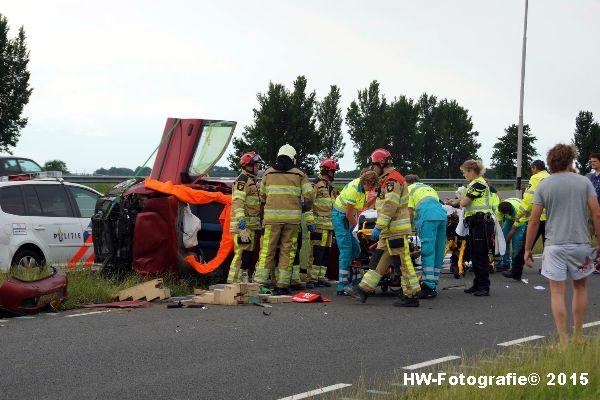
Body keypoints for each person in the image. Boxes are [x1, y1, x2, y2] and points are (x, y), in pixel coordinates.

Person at [524, 144, 600, 348]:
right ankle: (578, 336)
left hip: (554, 244)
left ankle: (563, 341)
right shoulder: (584, 182)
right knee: (580, 287)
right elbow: (596, 212)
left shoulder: (544, 185)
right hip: (580, 243)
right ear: (570, 160)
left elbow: (534, 219)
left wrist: (528, 248)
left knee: (557, 292)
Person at [346, 148, 421, 307]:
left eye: (374, 165)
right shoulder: (387, 179)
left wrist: (379, 227)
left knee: (403, 263)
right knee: (377, 260)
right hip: (389, 231)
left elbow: (389, 206)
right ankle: (363, 290)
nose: (373, 169)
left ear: (381, 163)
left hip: (395, 230)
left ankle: (411, 295)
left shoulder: (393, 180)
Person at [253, 144, 314, 295]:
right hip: (292, 220)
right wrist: (304, 207)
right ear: (293, 158)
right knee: (287, 251)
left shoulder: (268, 173)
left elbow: (262, 196)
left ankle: (260, 283)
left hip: (272, 219)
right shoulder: (299, 174)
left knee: (267, 250)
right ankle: (282, 285)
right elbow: (309, 196)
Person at [450, 160, 494, 296]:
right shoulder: (473, 184)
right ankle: (477, 283)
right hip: (476, 223)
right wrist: (456, 202)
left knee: (480, 255)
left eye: (464, 172)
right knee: (474, 254)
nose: (464, 175)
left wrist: (456, 202)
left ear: (471, 171)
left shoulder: (478, 183)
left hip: (482, 222)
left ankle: (484, 286)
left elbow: (465, 202)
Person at [332, 169, 378, 295]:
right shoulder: (354, 190)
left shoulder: (362, 188)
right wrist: (358, 230)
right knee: (346, 250)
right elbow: (348, 214)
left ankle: (356, 283)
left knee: (356, 249)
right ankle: (342, 286)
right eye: (372, 186)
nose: (372, 189)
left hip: (348, 216)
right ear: (368, 183)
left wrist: (376, 198)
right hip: (340, 217)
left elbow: (365, 207)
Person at [503, 160, 550, 280]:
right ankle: (549, 271)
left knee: (525, 245)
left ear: (535, 168)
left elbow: (529, 198)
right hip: (550, 218)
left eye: (532, 169)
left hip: (537, 217)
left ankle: (516, 271)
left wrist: (519, 214)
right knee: (549, 247)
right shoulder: (550, 178)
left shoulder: (535, 178)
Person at [405, 174, 447, 298]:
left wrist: (408, 228)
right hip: (441, 217)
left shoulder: (409, 189)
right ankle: (433, 283)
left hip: (428, 218)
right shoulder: (429, 188)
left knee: (428, 251)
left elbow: (410, 212)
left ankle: (428, 287)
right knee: (438, 250)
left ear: (407, 183)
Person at [227, 152, 262, 283]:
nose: (258, 168)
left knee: (248, 254)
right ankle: (233, 282)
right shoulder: (243, 181)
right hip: (243, 226)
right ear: (249, 166)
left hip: (250, 226)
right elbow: (238, 201)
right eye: (256, 165)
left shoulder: (252, 180)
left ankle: (242, 280)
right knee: (241, 254)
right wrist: (241, 221)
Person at [305, 158, 338, 288]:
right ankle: (311, 278)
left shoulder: (329, 187)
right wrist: (310, 221)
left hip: (329, 226)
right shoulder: (315, 185)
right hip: (317, 226)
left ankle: (320, 277)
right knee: (316, 252)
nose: (334, 173)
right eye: (332, 171)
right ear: (325, 170)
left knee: (325, 252)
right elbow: (308, 204)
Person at [495, 199, 525, 271]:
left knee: (516, 240)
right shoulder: (498, 209)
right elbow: (499, 225)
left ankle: (515, 265)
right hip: (509, 219)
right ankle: (506, 264)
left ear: (509, 212)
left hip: (520, 219)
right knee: (504, 237)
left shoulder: (519, 211)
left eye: (505, 214)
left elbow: (513, 230)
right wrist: (501, 239)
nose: (503, 215)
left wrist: (505, 241)